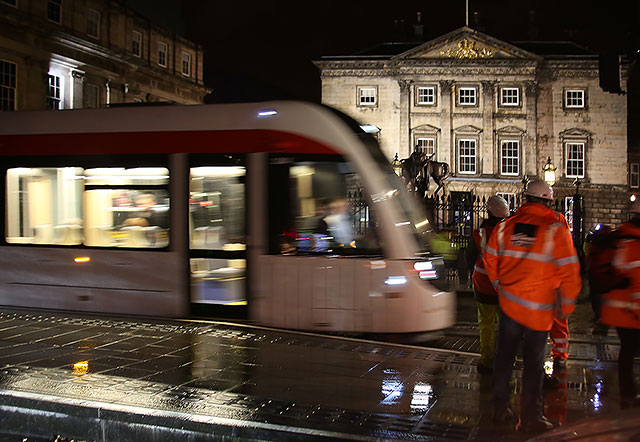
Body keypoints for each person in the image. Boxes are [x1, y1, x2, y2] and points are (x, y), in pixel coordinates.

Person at [484, 180, 581, 433]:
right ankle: (530, 417)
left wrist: (499, 287)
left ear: (526, 199)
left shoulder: (506, 226)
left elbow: (490, 258)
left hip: (510, 306)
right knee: (533, 365)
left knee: (504, 360)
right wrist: (566, 304)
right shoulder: (555, 228)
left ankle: (499, 408)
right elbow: (570, 270)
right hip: (538, 310)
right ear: (548, 201)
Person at [600, 199, 640, 409]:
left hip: (617, 310)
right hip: (631, 310)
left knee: (627, 351)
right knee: (629, 352)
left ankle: (629, 393)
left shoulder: (622, 237)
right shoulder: (636, 243)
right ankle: (629, 393)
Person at [465, 195, 511, 374]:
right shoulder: (510, 234)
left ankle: (487, 360)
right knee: (506, 326)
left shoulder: (479, 234)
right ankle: (507, 359)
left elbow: (469, 257)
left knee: (486, 324)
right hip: (506, 287)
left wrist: (472, 274)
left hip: (483, 285)